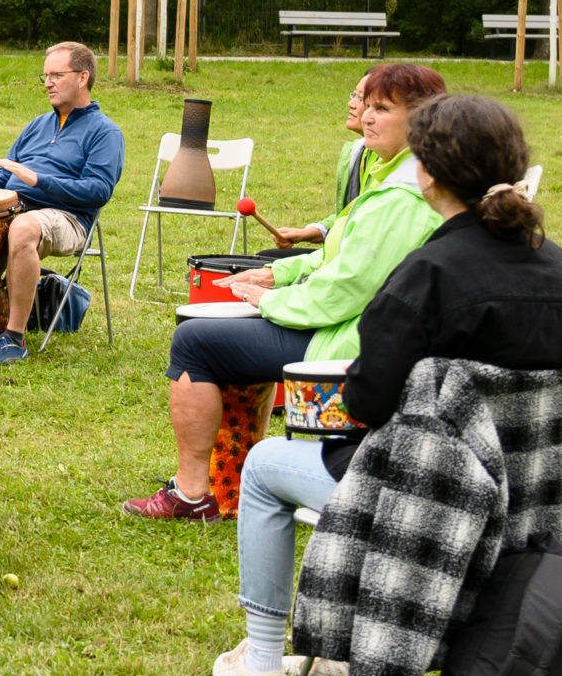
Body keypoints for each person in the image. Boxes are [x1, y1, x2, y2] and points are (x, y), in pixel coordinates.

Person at [213, 94, 562, 676]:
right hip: (544, 513)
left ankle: (263, 664)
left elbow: (366, 406)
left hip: (431, 514)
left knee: (265, 465)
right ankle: (339, 658)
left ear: (427, 171)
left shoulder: (426, 276)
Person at [121, 61, 448, 521]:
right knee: (225, 329)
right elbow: (344, 252)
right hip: (353, 326)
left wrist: (269, 301)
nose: (367, 116)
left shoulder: (401, 195)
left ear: (420, 118)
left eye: (382, 108)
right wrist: (279, 275)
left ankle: (193, 494)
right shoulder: (393, 174)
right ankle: (227, 481)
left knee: (195, 341)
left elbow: (345, 290)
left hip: (352, 339)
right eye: (366, 105)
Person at [0, 41, 124, 366]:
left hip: (68, 217)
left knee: (23, 227)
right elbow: (6, 181)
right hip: (16, 207)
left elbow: (98, 190)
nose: (48, 82)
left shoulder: (105, 132)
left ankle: (13, 338)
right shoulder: (37, 125)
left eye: (56, 75)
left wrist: (39, 181)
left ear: (82, 77)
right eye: (45, 76)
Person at [272, 72, 369, 248]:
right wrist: (304, 233)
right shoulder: (355, 152)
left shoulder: (391, 164)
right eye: (353, 95)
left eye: (360, 98)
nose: (351, 103)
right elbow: (345, 217)